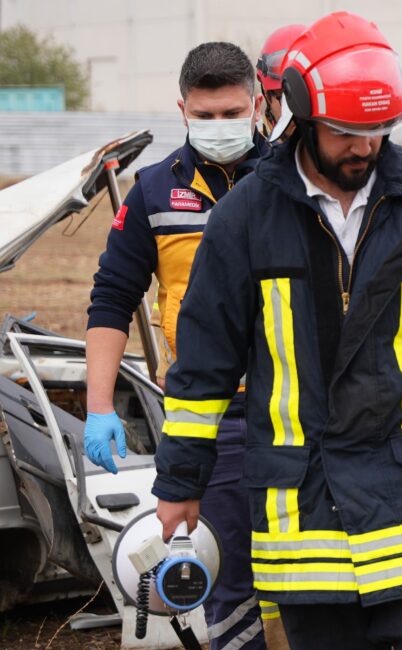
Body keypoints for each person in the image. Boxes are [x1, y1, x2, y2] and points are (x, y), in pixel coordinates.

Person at [150, 12, 402, 650]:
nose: (363, 148)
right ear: (305, 118)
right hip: (304, 501)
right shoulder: (244, 220)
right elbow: (203, 365)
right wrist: (180, 481)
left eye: (377, 131)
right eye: (345, 132)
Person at [83, 41, 270, 650]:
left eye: (232, 113)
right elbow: (112, 298)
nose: (219, 127)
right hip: (212, 417)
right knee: (229, 579)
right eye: (205, 116)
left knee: (313, 576)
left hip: (306, 408)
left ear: (261, 103)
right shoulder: (154, 191)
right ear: (182, 111)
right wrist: (101, 406)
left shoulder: (295, 179)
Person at [256, 23, 306, 141]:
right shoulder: (256, 150)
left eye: (305, 98)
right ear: (268, 97)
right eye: (286, 99)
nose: (297, 110)